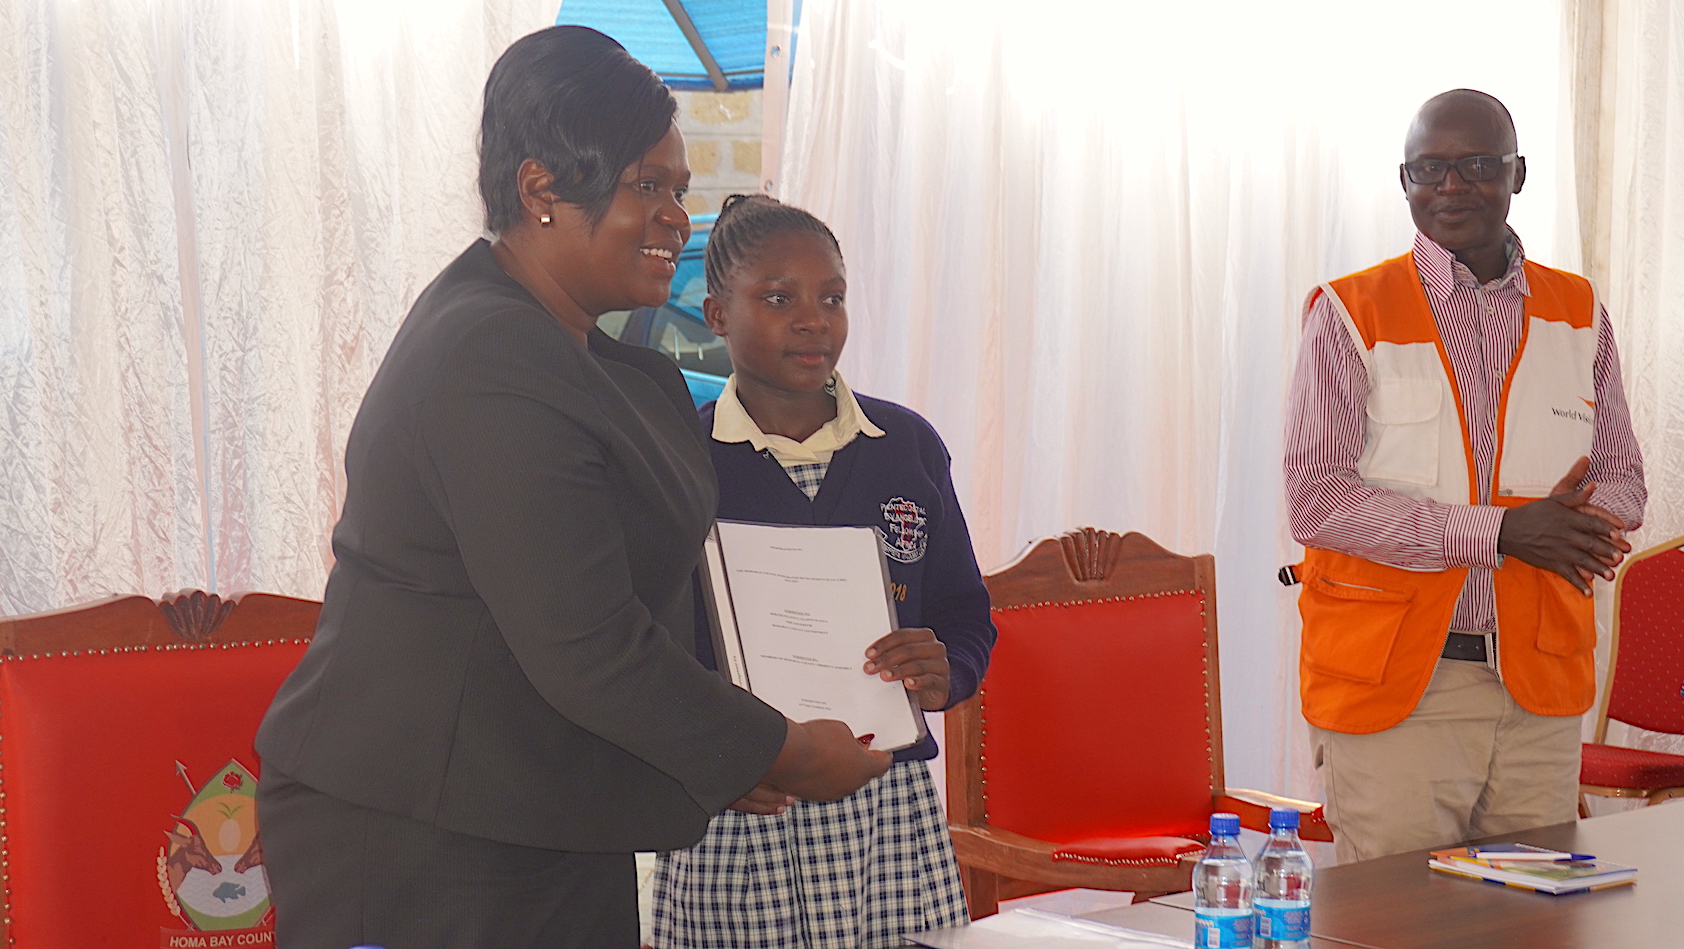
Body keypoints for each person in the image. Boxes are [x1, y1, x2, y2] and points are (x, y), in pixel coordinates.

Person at [253, 28, 888, 949]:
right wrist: (780, 747)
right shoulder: (492, 352)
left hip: (539, 806)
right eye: (648, 186)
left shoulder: (582, 356)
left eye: (680, 188)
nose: (679, 216)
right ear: (542, 189)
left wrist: (722, 741)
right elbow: (589, 645)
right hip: (417, 836)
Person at [1283, 89, 1646, 863]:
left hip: (1537, 688)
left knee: (1537, 928)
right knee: (1398, 930)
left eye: (1478, 166)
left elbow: (1622, 478)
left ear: (1518, 174)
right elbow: (1317, 500)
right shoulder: (1350, 312)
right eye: (1431, 169)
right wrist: (1505, 531)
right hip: (1400, 693)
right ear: (1405, 179)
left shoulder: (1578, 311)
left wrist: (1586, 523)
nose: (1452, 187)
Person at [650, 194, 996, 948]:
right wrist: (710, 758)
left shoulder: (904, 446)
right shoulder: (681, 457)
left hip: (886, 812)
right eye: (779, 298)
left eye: (832, 298)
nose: (814, 319)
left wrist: (947, 670)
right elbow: (649, 646)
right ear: (715, 314)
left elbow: (967, 614)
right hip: (743, 807)